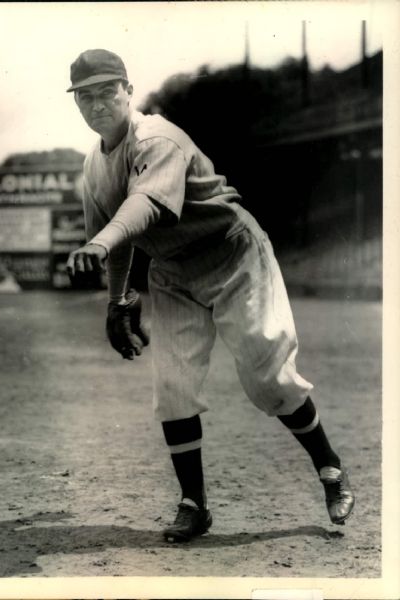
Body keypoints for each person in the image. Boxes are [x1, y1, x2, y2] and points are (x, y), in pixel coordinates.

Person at [66, 49, 355, 543]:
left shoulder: (158, 137)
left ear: (128, 91)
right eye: (85, 96)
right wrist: (117, 300)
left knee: (269, 377)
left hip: (231, 252)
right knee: (173, 387)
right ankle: (193, 504)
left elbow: (144, 207)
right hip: (174, 270)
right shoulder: (94, 166)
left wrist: (99, 243)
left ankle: (329, 466)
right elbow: (114, 243)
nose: (97, 104)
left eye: (106, 91)